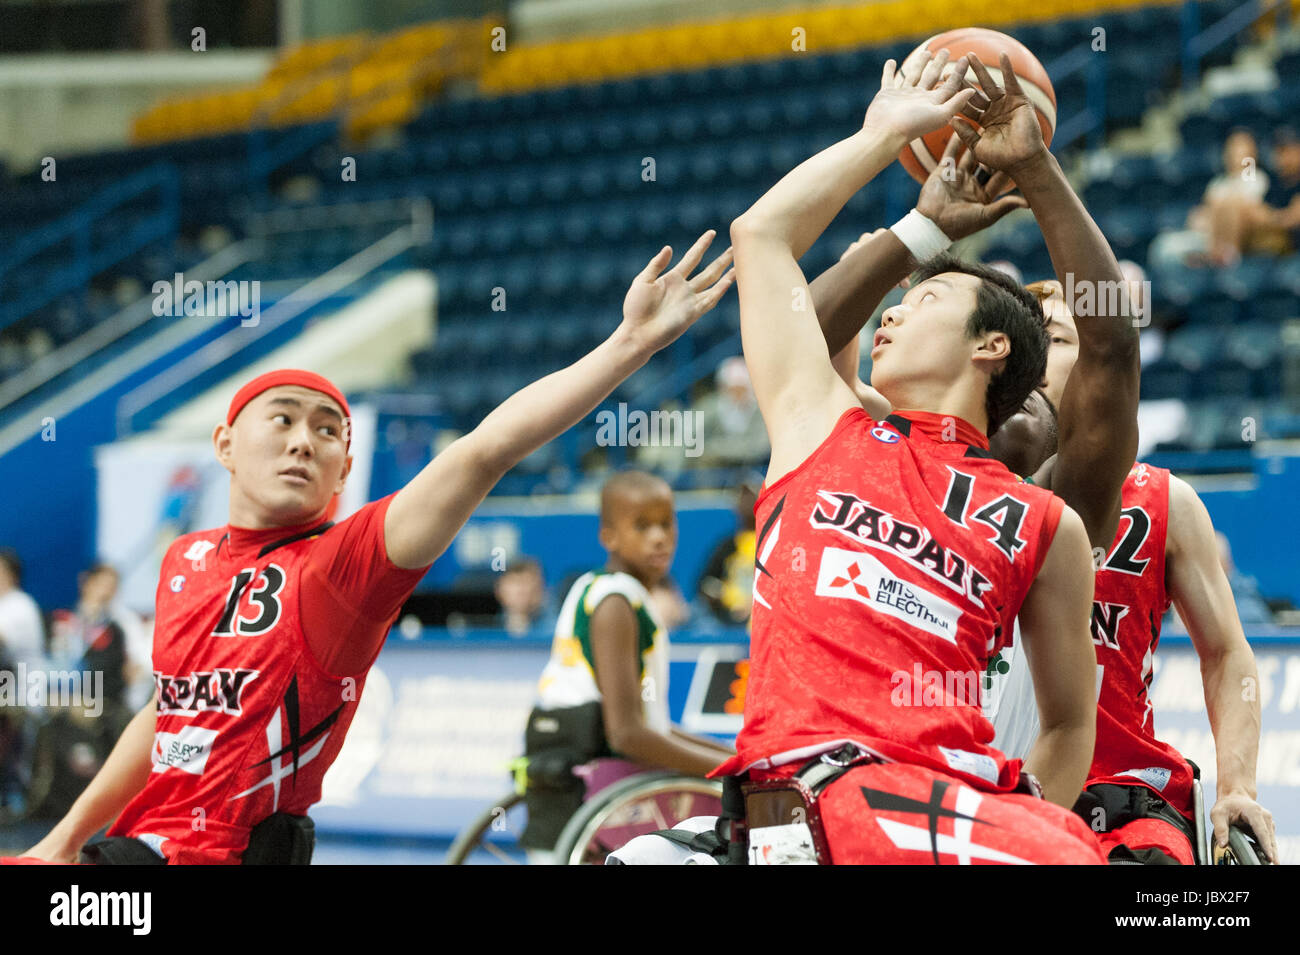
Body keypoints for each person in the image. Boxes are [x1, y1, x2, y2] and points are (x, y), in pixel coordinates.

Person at [12, 231, 734, 865]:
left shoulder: (344, 565)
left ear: (344, 469)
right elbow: (169, 711)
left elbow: (484, 450)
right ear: (225, 445)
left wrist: (629, 343)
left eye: (328, 429)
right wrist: (66, 837)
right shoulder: (186, 560)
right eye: (284, 419)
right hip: (136, 842)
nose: (304, 439)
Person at [713, 49, 1105, 864]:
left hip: (956, 802)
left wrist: (1022, 818)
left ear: (991, 346)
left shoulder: (1047, 522)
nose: (890, 318)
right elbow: (760, 237)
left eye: (921, 299)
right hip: (814, 788)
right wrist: (893, 158)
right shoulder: (824, 425)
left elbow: (1070, 724)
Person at [523, 471, 733, 852]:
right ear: (609, 536)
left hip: (565, 761)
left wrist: (729, 756)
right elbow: (626, 735)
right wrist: (727, 769)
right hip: (598, 783)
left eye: (666, 524)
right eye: (642, 526)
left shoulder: (599, 588)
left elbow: (651, 727)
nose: (659, 537)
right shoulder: (616, 604)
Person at [494, 557, 548, 636]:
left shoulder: (559, 629)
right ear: (499, 590)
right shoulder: (482, 630)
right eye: (516, 583)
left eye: (529, 582)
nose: (523, 591)